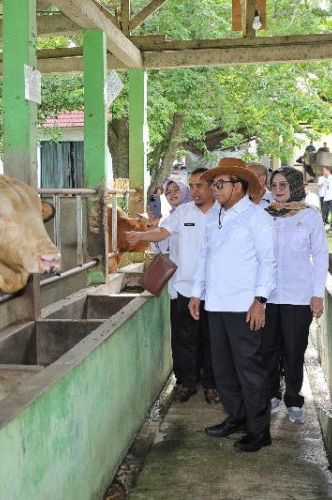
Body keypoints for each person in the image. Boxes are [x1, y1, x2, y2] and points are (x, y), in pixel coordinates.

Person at [188, 157, 276, 453]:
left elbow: (268, 262)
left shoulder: (258, 218)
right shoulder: (214, 217)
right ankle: (237, 417)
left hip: (244, 305)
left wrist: (260, 300)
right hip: (216, 304)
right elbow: (204, 257)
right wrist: (196, 293)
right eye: (213, 184)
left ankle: (259, 430)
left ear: (238, 186)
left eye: (219, 183)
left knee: (249, 369)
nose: (214, 189)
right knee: (223, 369)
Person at [126, 169, 219, 404]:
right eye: (193, 185)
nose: (196, 190)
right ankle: (187, 382)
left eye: (200, 185)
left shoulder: (222, 213)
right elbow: (162, 232)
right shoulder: (183, 213)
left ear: (212, 187)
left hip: (216, 289)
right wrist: (141, 236)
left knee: (213, 340)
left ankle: (212, 384)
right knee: (184, 338)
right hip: (185, 287)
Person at [263, 167, 328, 424]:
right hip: (267, 295)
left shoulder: (310, 216)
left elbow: (320, 256)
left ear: (295, 186)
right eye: (274, 186)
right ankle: (271, 394)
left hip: (298, 296)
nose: (278, 191)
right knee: (268, 348)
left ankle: (293, 399)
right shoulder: (264, 214)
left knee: (293, 349)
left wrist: (317, 294)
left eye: (283, 185)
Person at [320, 167, 332, 231]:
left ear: (328, 171)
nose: (323, 172)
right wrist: (323, 181)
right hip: (326, 197)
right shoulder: (323, 178)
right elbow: (320, 186)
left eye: (324, 171)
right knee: (324, 211)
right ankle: (322, 223)